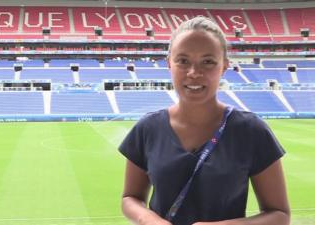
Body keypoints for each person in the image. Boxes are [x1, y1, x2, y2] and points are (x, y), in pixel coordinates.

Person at [119, 16, 290, 225]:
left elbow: (279, 214)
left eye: (208, 62)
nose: (194, 73)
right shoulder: (147, 129)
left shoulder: (252, 131)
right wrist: (148, 219)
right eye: (183, 61)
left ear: (224, 66)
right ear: (169, 64)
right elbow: (130, 198)